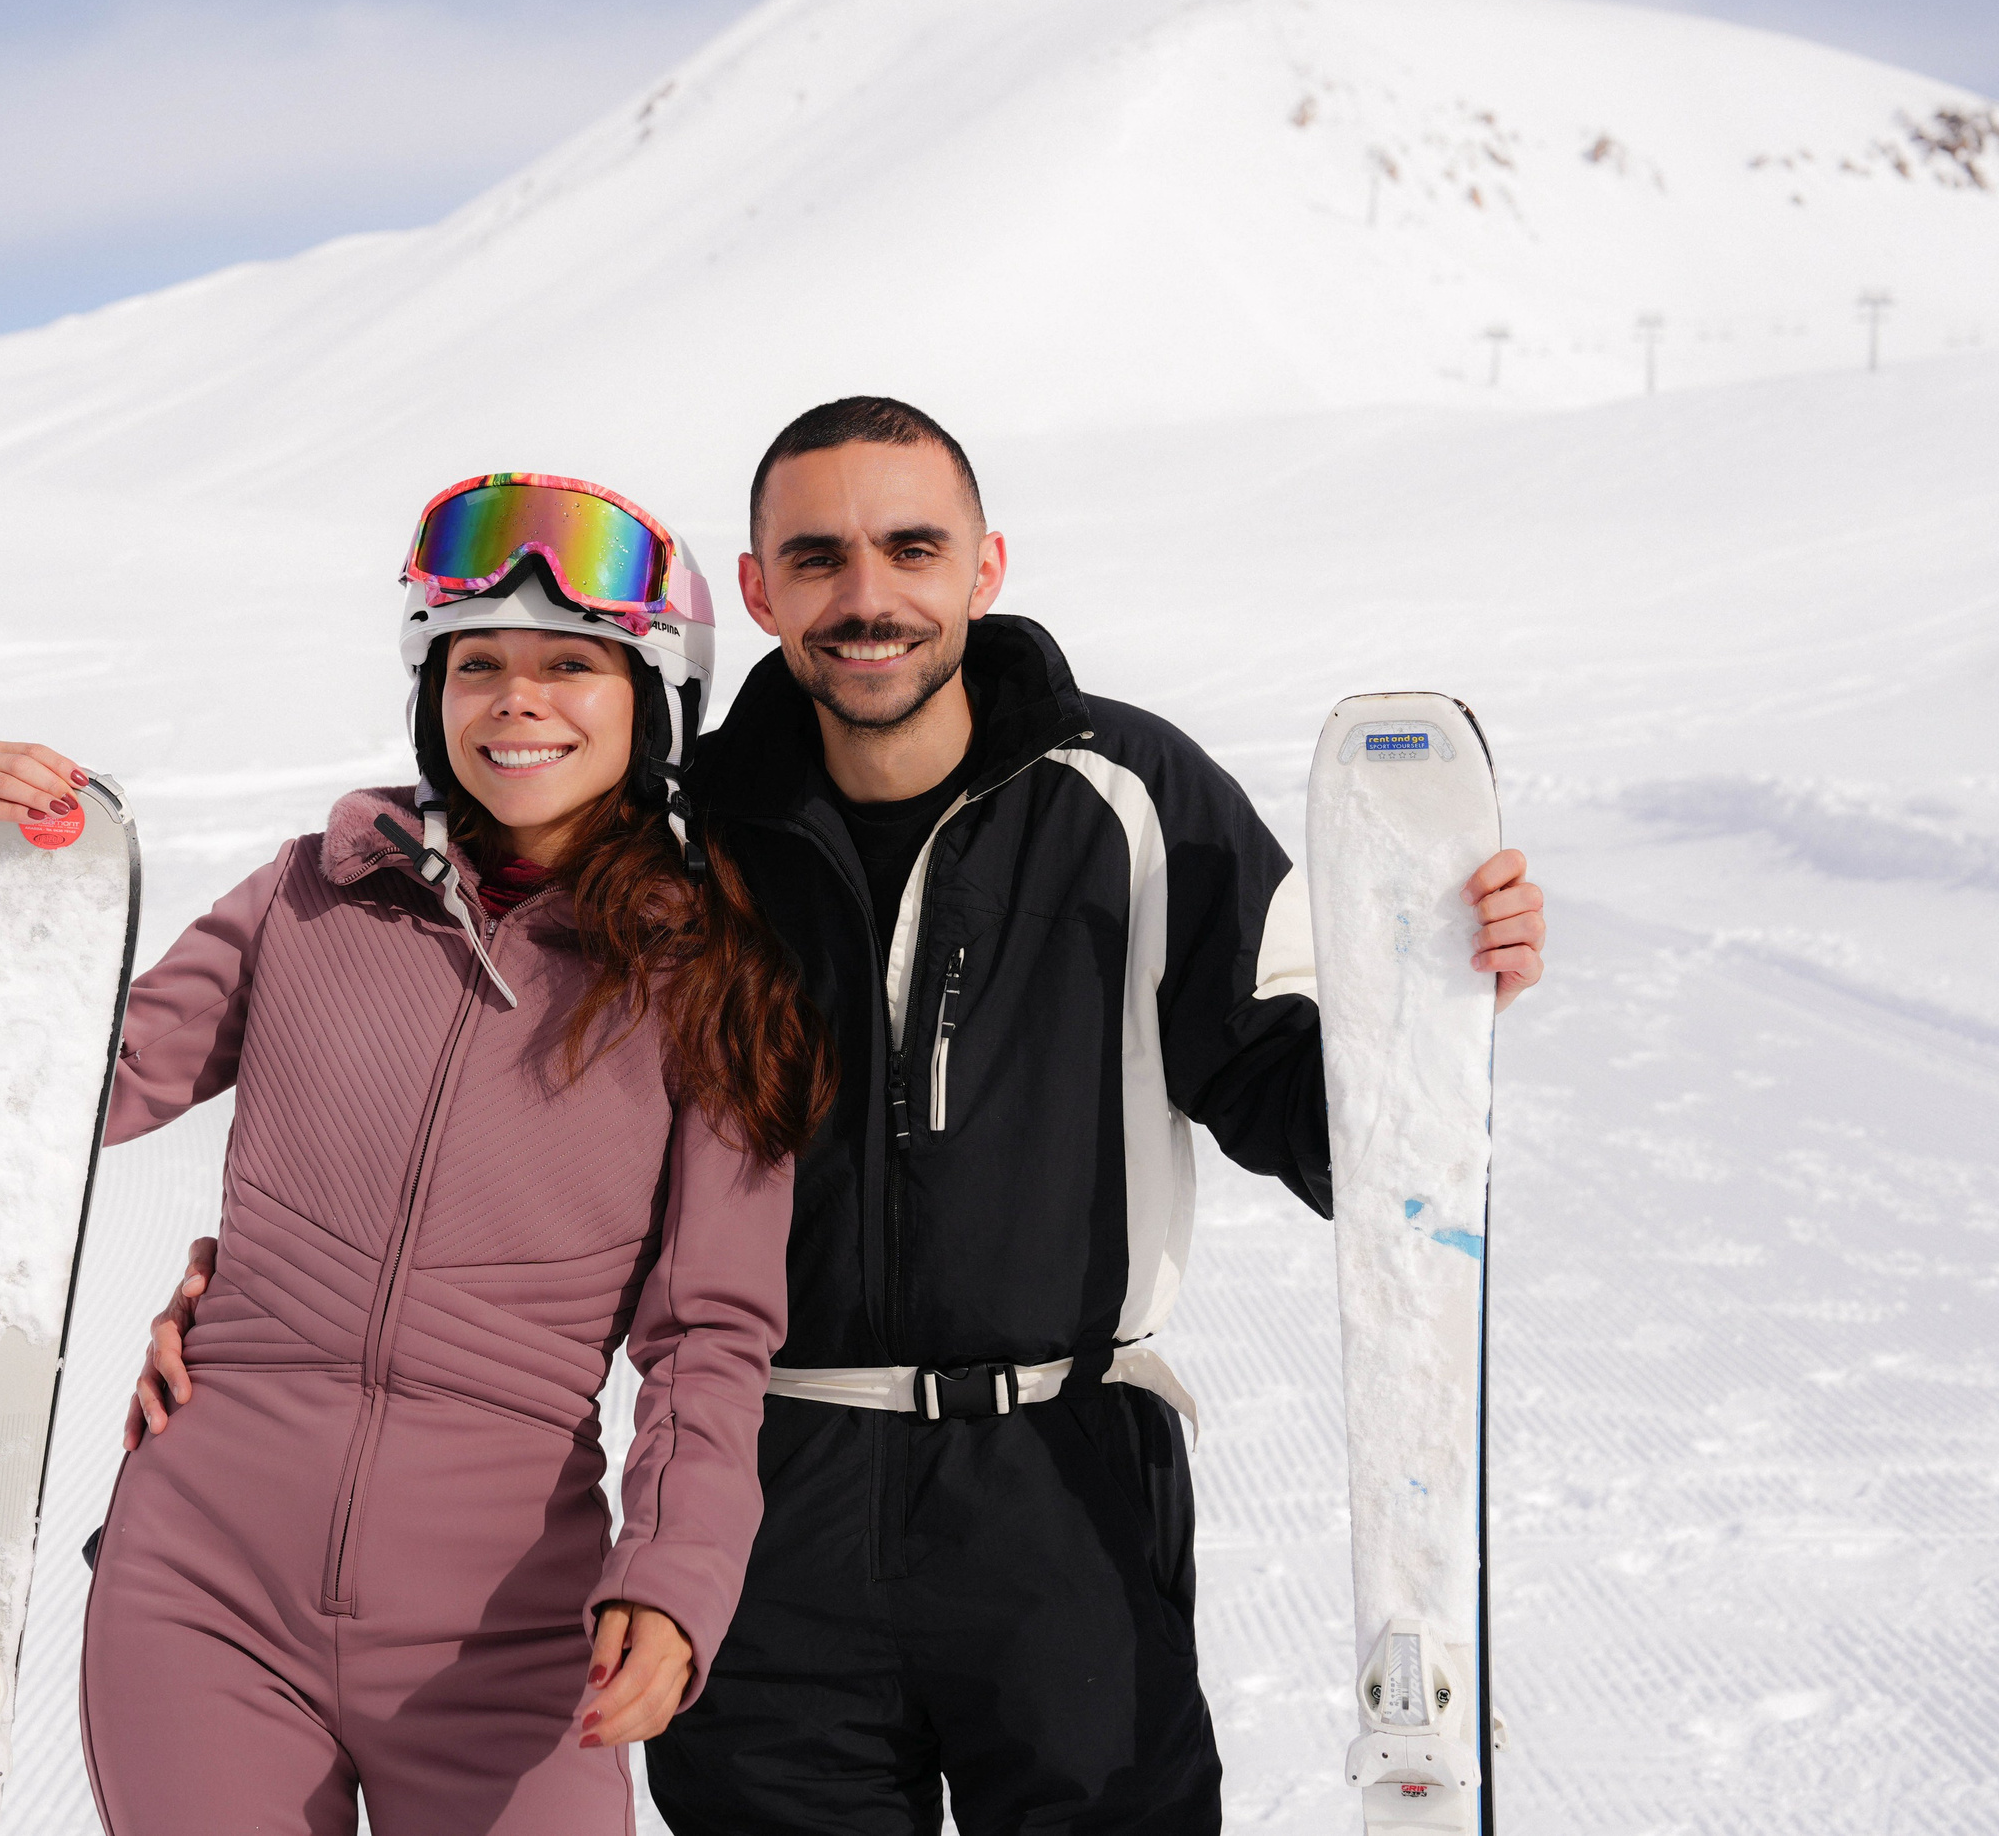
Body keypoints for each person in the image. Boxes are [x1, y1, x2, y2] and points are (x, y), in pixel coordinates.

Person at [140, 401, 1551, 1834]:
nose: (867, 596)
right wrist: (263, 1321)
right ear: (757, 592)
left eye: (911, 548)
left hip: (1058, 1484)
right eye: (817, 557)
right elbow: (463, 1060)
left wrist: (1424, 1012)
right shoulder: (676, 838)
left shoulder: (1131, 796)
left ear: (985, 565)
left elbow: (1295, 1102)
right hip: (773, 1494)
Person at [0, 472, 833, 1836]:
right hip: (206, 1594)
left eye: (572, 663)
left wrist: (674, 1576)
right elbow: (66, 1091)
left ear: (653, 702)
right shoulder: (310, 894)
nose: (518, 697)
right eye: (478, 663)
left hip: (508, 1633)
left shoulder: (708, 979)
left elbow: (713, 1334)